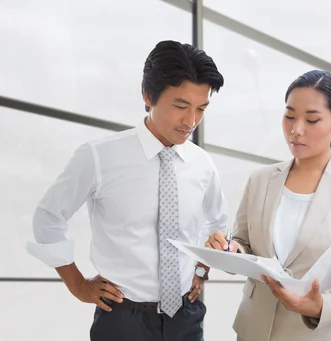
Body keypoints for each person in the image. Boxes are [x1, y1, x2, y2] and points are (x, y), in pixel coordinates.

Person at [26, 40, 227, 341]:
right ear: (148, 96)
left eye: (201, 108)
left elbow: (218, 224)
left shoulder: (202, 163)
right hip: (122, 320)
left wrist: (201, 270)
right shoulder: (98, 156)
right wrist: (77, 284)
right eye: (181, 106)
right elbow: (48, 217)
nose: (191, 121)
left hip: (185, 317)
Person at [206, 70, 331, 341]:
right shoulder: (260, 179)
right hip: (252, 332)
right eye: (289, 116)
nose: (296, 129)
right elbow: (243, 244)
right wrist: (229, 250)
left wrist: (322, 306)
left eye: (311, 119)